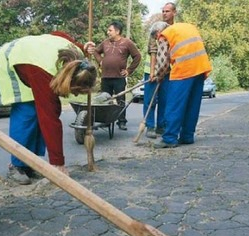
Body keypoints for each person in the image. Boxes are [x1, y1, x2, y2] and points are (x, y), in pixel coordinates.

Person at [0, 32, 97, 185]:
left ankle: (31, 163)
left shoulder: (76, 56)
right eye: (75, 90)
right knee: (28, 112)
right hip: (10, 62)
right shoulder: (43, 73)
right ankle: (17, 166)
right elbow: (50, 119)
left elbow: (58, 34)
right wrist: (58, 163)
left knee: (40, 113)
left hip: (31, 59)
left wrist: (83, 47)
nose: (75, 94)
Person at [153, 22, 212, 148]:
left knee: (174, 105)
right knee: (192, 105)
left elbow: (163, 62)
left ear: (158, 33)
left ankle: (169, 138)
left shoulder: (165, 35)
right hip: (201, 67)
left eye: (156, 39)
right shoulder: (187, 27)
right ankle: (187, 136)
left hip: (184, 69)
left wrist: (159, 76)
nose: (158, 41)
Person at [89, 21, 141, 131]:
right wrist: (100, 61)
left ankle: (121, 121)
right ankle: (106, 121)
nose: (108, 32)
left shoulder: (127, 43)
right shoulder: (105, 43)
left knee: (120, 100)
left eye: (110, 30)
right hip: (105, 77)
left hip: (119, 77)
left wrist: (129, 70)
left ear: (117, 31)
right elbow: (96, 52)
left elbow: (137, 56)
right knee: (105, 99)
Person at [142, 2, 176, 138]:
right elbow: (152, 52)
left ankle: (161, 126)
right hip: (151, 70)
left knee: (164, 100)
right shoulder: (156, 28)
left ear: (174, 12)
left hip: (168, 72)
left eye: (167, 11)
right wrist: (152, 73)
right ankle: (150, 126)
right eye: (163, 11)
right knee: (150, 99)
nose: (164, 13)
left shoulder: (175, 30)